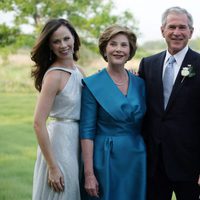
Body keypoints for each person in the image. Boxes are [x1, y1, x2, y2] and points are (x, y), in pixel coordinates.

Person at [138, 6, 200, 200]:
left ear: (191, 31)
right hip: (154, 163)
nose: (177, 32)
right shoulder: (147, 64)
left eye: (182, 27)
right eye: (172, 27)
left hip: (190, 163)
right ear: (162, 30)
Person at [79, 25, 146, 200]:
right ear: (104, 49)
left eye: (124, 45)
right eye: (113, 44)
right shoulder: (92, 85)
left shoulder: (140, 83)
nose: (118, 49)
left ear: (130, 50)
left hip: (137, 157)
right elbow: (87, 132)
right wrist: (89, 174)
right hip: (105, 157)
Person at [31, 18, 84, 200]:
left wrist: (129, 75)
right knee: (64, 193)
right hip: (60, 144)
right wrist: (53, 167)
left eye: (66, 38)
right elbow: (38, 123)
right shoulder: (54, 76)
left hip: (78, 141)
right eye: (56, 41)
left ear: (74, 39)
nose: (63, 45)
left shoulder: (80, 71)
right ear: (50, 46)